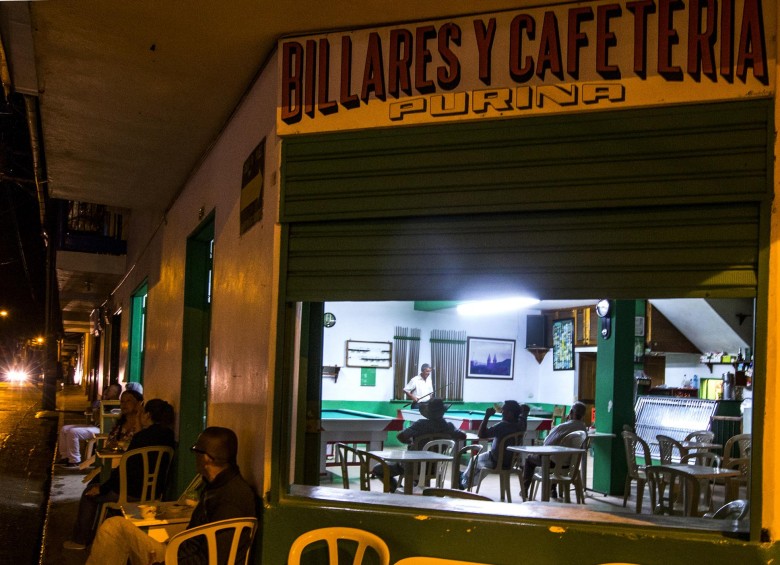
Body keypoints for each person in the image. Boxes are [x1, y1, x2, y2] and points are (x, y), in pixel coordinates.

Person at [85, 426, 258, 565]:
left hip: (178, 559)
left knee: (113, 529)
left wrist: (169, 559)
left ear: (206, 458)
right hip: (178, 553)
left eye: (196, 452)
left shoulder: (230, 499)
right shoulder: (218, 484)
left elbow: (216, 557)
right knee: (117, 526)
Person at [65, 398, 176, 550]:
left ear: (147, 415)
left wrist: (103, 488)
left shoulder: (141, 438)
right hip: (154, 492)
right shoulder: (168, 435)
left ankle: (79, 540)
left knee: (88, 493)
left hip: (130, 493)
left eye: (142, 413)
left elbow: (125, 470)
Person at [375, 398, 465, 492]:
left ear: (429, 412)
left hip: (412, 466)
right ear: (442, 412)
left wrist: (410, 442)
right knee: (417, 477)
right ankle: (412, 489)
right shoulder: (449, 426)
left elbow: (400, 436)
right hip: (435, 467)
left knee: (378, 469)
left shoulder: (420, 424)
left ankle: (397, 491)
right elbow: (463, 436)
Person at [522, 401, 588, 500]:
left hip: (553, 463)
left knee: (530, 459)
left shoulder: (562, 427)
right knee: (556, 457)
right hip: (570, 465)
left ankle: (524, 489)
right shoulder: (583, 429)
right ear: (583, 415)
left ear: (570, 413)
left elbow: (547, 443)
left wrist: (565, 423)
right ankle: (552, 489)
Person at [459, 400, 530, 490]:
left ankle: (464, 482)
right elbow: (525, 412)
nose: (501, 413)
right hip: (511, 462)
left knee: (475, 462)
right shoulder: (522, 424)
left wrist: (487, 416)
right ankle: (464, 478)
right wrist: (523, 411)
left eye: (504, 411)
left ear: (510, 414)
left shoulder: (502, 426)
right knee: (475, 463)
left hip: (495, 461)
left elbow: (481, 435)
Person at [55, 382, 123, 468]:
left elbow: (105, 421)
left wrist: (99, 409)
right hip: (95, 426)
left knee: (73, 432)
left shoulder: (116, 405)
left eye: (109, 390)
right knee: (64, 428)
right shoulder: (103, 402)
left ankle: (75, 460)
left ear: (115, 393)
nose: (106, 391)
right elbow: (94, 417)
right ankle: (65, 456)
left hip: (102, 429)